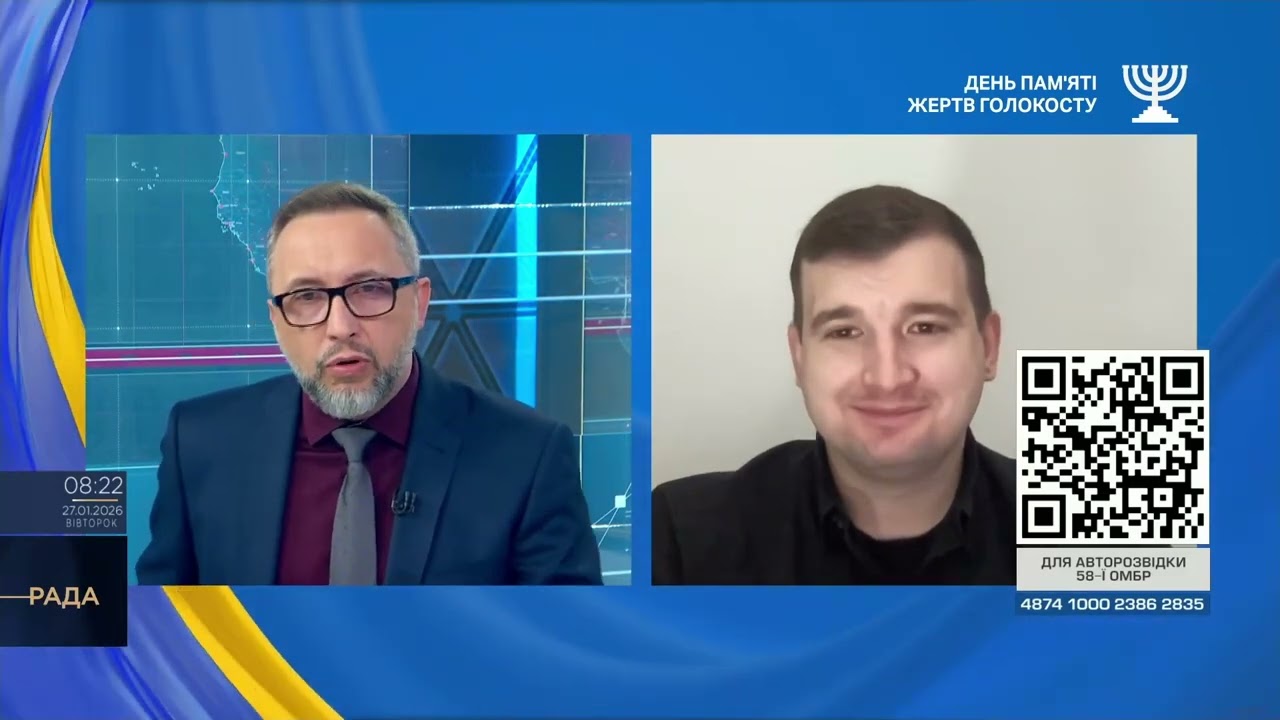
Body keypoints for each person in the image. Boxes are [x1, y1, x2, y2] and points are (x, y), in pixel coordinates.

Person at [136, 182, 602, 586]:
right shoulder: (200, 442)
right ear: (276, 319)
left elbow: (563, 644)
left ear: (419, 303)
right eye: (307, 297)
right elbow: (158, 633)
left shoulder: (529, 457)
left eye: (369, 289)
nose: (340, 326)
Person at [653, 185, 1015, 585]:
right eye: (844, 332)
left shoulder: (1069, 518)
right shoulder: (682, 539)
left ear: (989, 346)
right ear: (800, 357)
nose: (887, 377)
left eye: (925, 327)